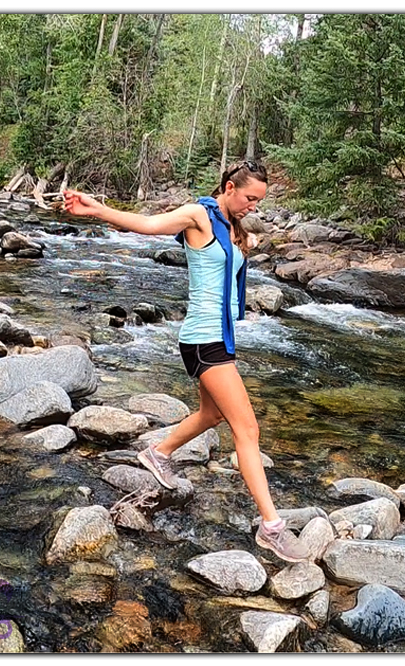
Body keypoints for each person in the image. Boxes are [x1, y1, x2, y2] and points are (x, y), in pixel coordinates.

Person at [61, 161, 309, 562]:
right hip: (203, 340)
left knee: (211, 416)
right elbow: (147, 224)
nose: (254, 207)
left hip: (218, 338)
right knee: (247, 429)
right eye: (250, 198)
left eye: (259, 202)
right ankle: (272, 528)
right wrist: (97, 210)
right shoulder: (198, 215)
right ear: (229, 187)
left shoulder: (232, 226)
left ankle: (158, 454)